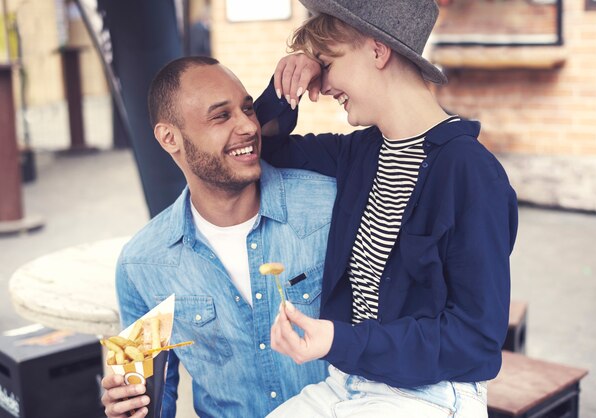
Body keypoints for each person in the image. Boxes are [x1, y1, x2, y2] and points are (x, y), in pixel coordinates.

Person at [254, 1, 519, 417]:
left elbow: (475, 339)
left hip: (432, 392)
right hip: (347, 382)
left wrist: (337, 341)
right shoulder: (359, 152)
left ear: (378, 51)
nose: (320, 86)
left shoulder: (470, 173)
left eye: (325, 64)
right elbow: (262, 146)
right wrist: (284, 85)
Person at [100, 56, 336, 418]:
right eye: (221, 116)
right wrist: (127, 408)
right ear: (169, 138)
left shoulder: (328, 206)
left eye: (247, 109)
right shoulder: (140, 264)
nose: (247, 126)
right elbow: (148, 398)